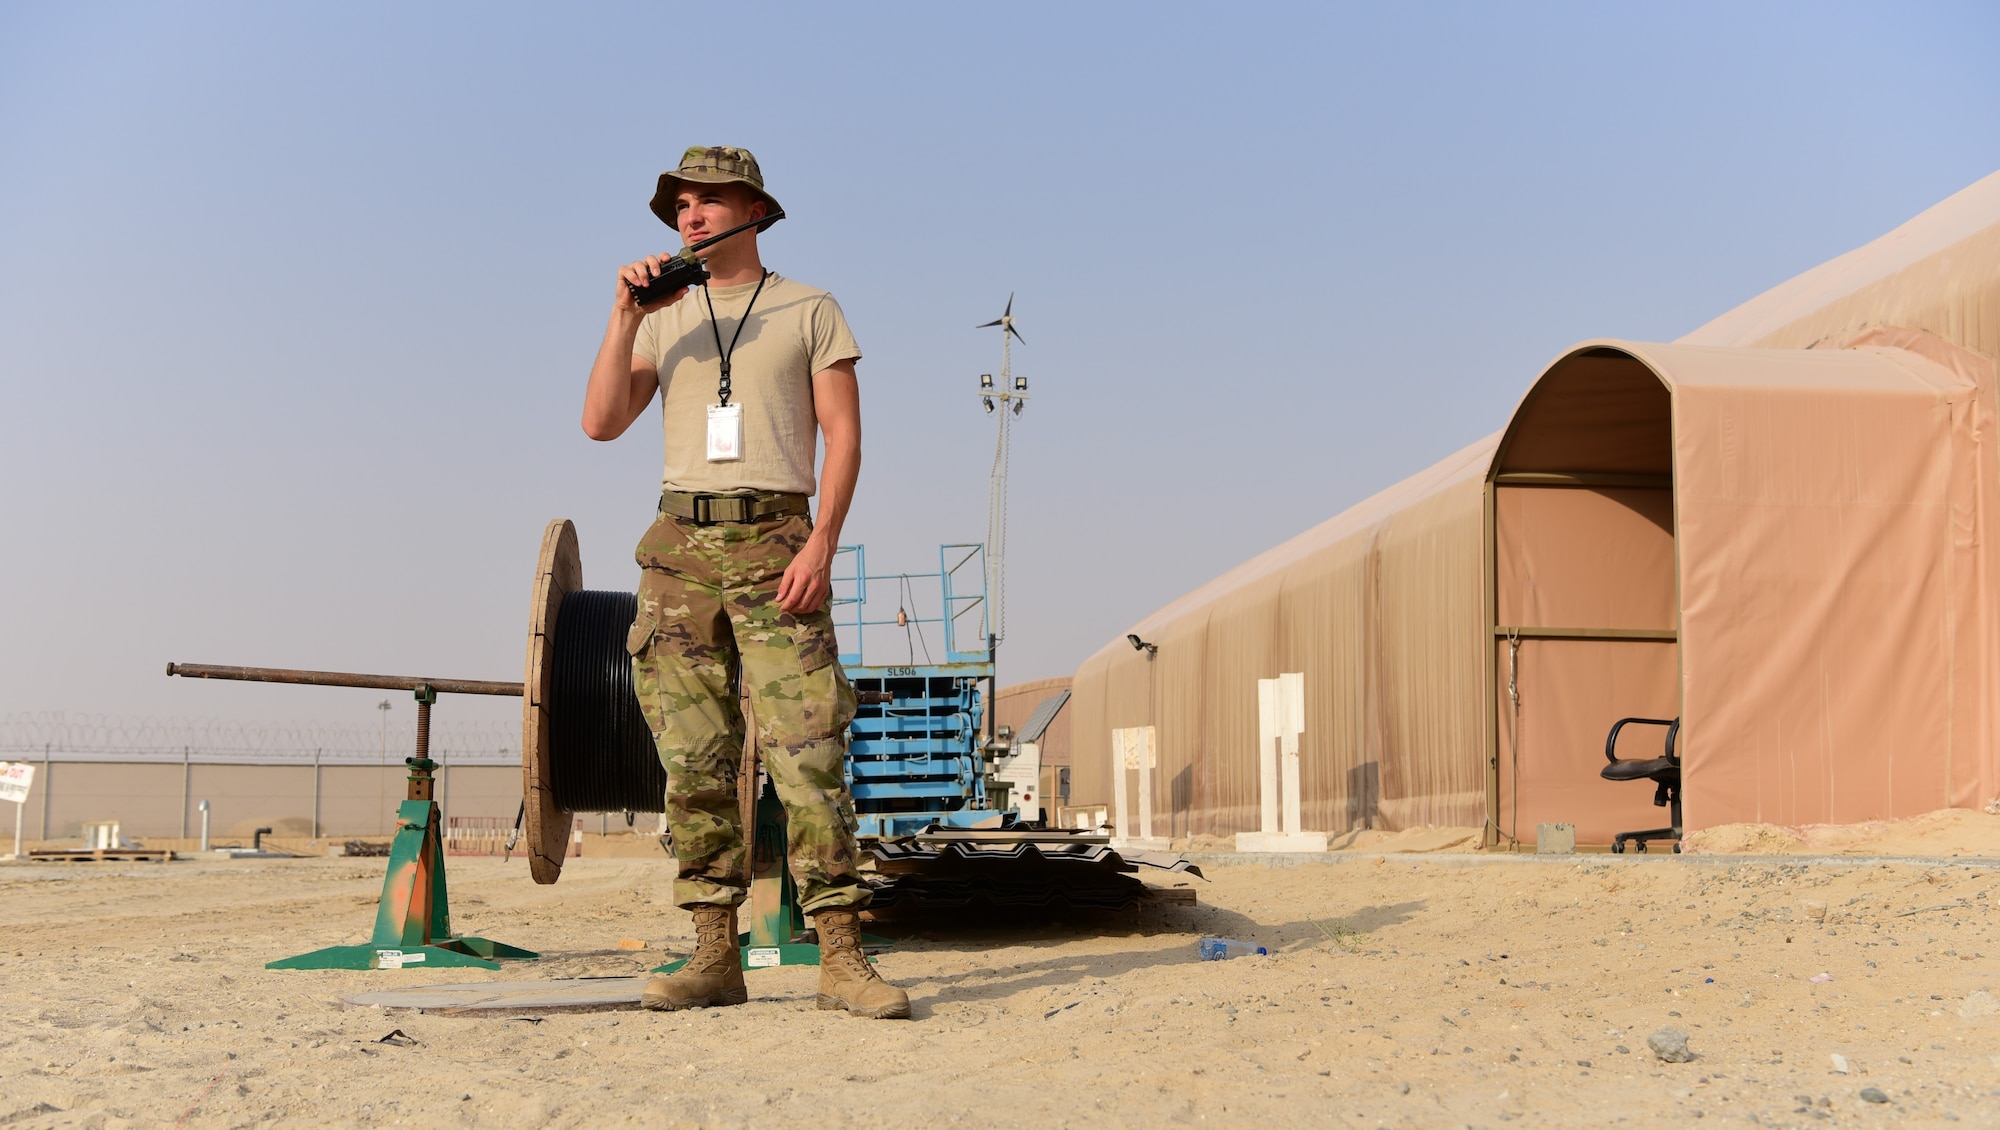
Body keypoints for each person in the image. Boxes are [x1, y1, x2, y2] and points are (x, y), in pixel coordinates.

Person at [582, 145, 906, 1020]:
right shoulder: (661, 316)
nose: (689, 215)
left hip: (777, 542)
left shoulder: (810, 309)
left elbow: (845, 437)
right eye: (680, 203)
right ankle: (714, 955)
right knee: (694, 761)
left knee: (810, 755)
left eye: (709, 200)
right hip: (681, 548)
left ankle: (841, 958)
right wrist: (622, 316)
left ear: (754, 211)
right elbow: (601, 423)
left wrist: (821, 545)